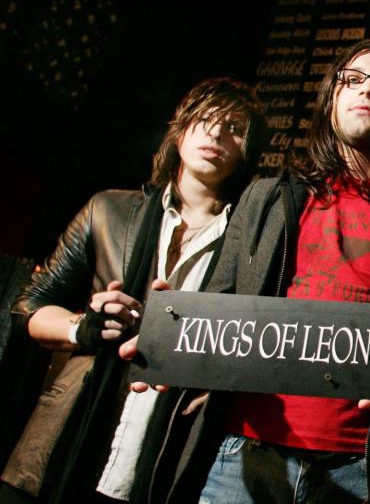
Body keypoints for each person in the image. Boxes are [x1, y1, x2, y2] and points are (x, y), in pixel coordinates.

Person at [125, 38, 370, 504]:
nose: (367, 90)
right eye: (353, 79)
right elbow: (223, 304)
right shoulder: (267, 197)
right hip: (243, 452)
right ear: (332, 96)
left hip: (362, 466)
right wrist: (173, 337)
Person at [0, 77, 266, 504]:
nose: (216, 133)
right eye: (205, 119)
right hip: (59, 447)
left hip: (159, 456)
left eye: (234, 127)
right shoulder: (109, 210)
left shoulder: (250, 243)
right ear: (179, 129)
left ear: (246, 152)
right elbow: (29, 306)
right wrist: (81, 328)